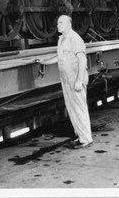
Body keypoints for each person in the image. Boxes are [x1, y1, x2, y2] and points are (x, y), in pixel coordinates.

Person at [38, 14, 93, 149]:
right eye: (58, 23)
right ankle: (80, 137)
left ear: (69, 24)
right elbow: (59, 57)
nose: (58, 25)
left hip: (75, 79)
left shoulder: (74, 38)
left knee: (79, 109)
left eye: (61, 23)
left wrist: (79, 81)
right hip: (67, 80)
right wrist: (45, 62)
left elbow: (82, 60)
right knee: (72, 109)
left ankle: (86, 139)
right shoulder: (62, 39)